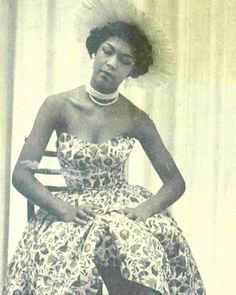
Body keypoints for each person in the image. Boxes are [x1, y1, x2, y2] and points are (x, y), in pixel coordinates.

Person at [3, 6, 206, 295]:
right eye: (107, 51)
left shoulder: (136, 118)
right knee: (63, 269)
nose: (111, 63)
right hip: (72, 212)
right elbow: (22, 175)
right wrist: (63, 209)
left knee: (143, 255)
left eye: (124, 60)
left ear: (132, 71)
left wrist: (143, 210)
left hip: (120, 209)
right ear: (94, 52)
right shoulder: (57, 106)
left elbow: (175, 181)